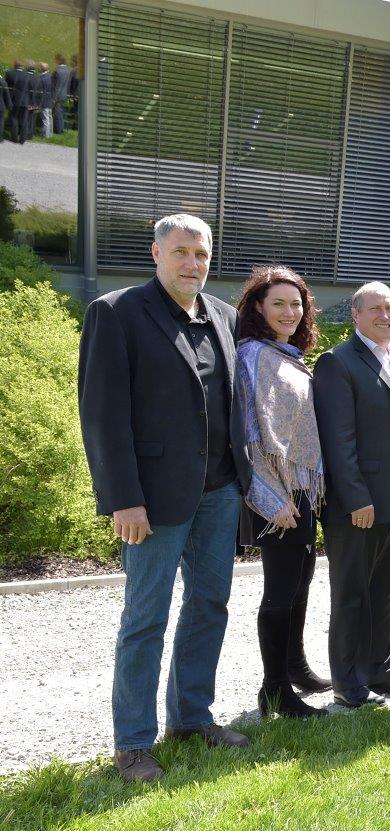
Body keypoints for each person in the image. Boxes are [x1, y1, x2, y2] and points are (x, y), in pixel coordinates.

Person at [78, 214, 251, 783]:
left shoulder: (223, 317)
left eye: (201, 254)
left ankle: (191, 717)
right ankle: (132, 743)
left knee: (209, 607)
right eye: (181, 252)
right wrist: (123, 498)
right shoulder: (117, 313)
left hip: (219, 493)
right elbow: (103, 416)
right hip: (150, 500)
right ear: (156, 254)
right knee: (145, 618)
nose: (192, 263)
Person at [314, 282, 390, 709]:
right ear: (356, 315)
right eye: (375, 309)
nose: (385, 316)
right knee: (352, 593)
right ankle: (348, 682)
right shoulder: (339, 363)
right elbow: (338, 440)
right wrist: (355, 498)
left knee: (388, 588)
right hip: (359, 504)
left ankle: (384, 671)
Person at [235, 265, 329, 720]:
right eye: (279, 304)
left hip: (300, 487)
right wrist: (273, 497)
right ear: (258, 306)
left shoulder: (286, 354)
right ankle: (274, 690)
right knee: (280, 588)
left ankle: (296, 667)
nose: (290, 311)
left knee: (301, 581)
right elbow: (252, 433)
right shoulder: (253, 355)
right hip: (275, 495)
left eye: (297, 304)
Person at [52, 54, 70, 134]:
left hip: (58, 95)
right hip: (64, 94)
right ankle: (61, 128)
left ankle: (58, 130)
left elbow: (56, 86)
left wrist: (54, 98)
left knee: (57, 113)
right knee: (61, 112)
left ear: (58, 60)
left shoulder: (57, 71)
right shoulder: (67, 70)